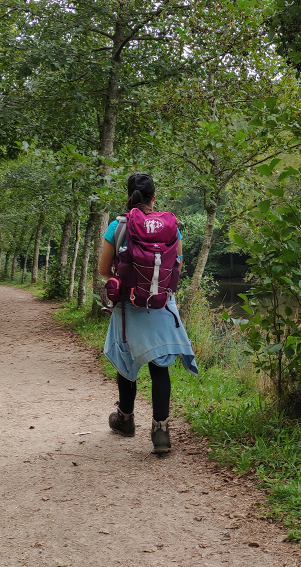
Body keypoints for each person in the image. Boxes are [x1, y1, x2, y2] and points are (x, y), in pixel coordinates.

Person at [98, 173, 198, 454]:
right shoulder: (171, 226)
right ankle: (161, 432)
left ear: (128, 196)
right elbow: (176, 264)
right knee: (161, 365)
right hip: (162, 305)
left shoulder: (118, 227)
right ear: (154, 197)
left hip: (129, 307)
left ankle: (125, 420)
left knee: (126, 361)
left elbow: (104, 270)